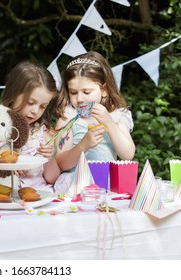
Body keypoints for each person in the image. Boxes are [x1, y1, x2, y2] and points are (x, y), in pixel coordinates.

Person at [53, 51, 136, 194]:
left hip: (107, 184)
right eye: (73, 92)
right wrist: (83, 145)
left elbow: (128, 154)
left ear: (104, 90)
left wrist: (109, 123)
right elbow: (61, 164)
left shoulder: (116, 117)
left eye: (86, 92)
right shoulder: (68, 119)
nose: (79, 99)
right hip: (76, 186)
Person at [0, 61, 61, 192]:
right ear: (14, 94)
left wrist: (50, 158)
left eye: (42, 106)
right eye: (31, 102)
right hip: (4, 194)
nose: (35, 111)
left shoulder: (43, 134)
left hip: (39, 196)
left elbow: (52, 178)